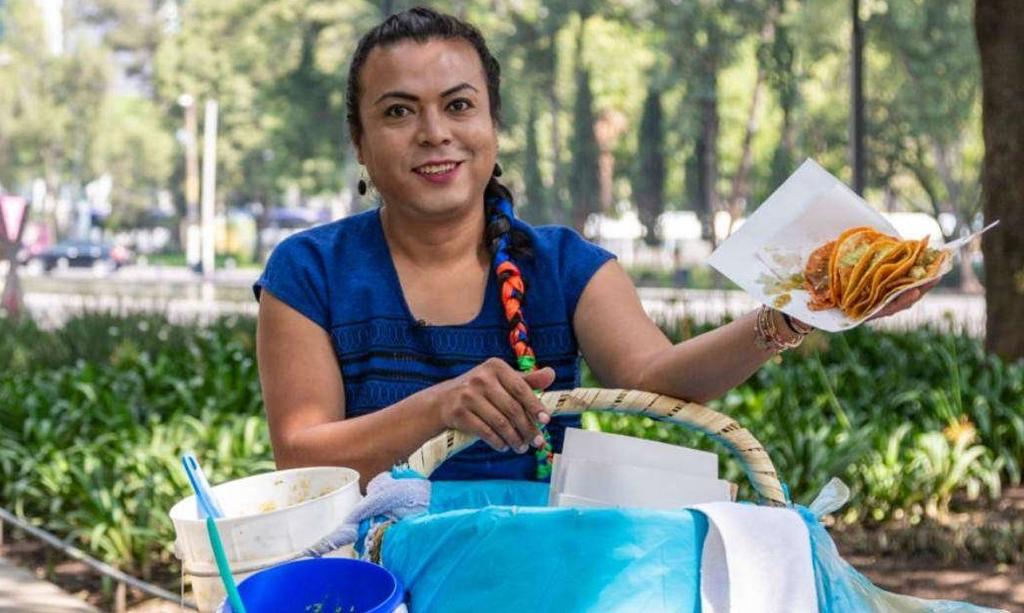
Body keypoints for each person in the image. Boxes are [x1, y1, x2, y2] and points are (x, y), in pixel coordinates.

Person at [254, 7, 934, 490]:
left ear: (492, 124)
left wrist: (787, 315)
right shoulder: (308, 271)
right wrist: (439, 407)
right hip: (369, 577)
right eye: (398, 111)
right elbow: (300, 459)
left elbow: (656, 377)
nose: (434, 132)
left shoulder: (564, 266)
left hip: (547, 568)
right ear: (360, 141)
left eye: (459, 105)